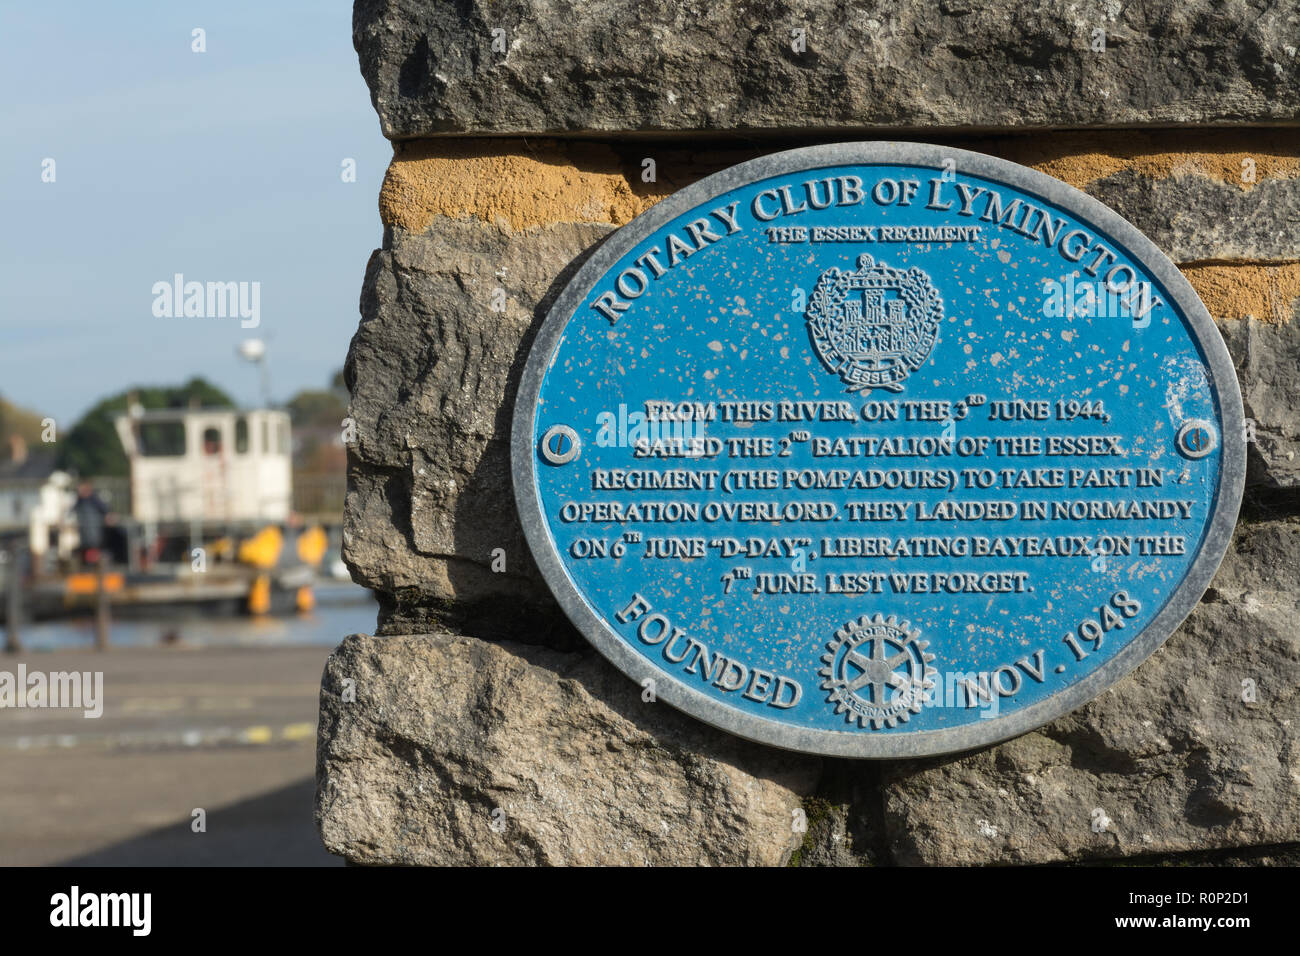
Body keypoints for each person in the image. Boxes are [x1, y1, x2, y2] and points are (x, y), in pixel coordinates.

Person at [72, 480, 112, 566]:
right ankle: (88, 564)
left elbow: (105, 511)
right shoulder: (79, 500)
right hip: (84, 530)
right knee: (86, 547)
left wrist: (108, 518)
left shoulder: (95, 499)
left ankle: (95, 564)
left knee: (94, 547)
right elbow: (72, 512)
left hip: (94, 530)